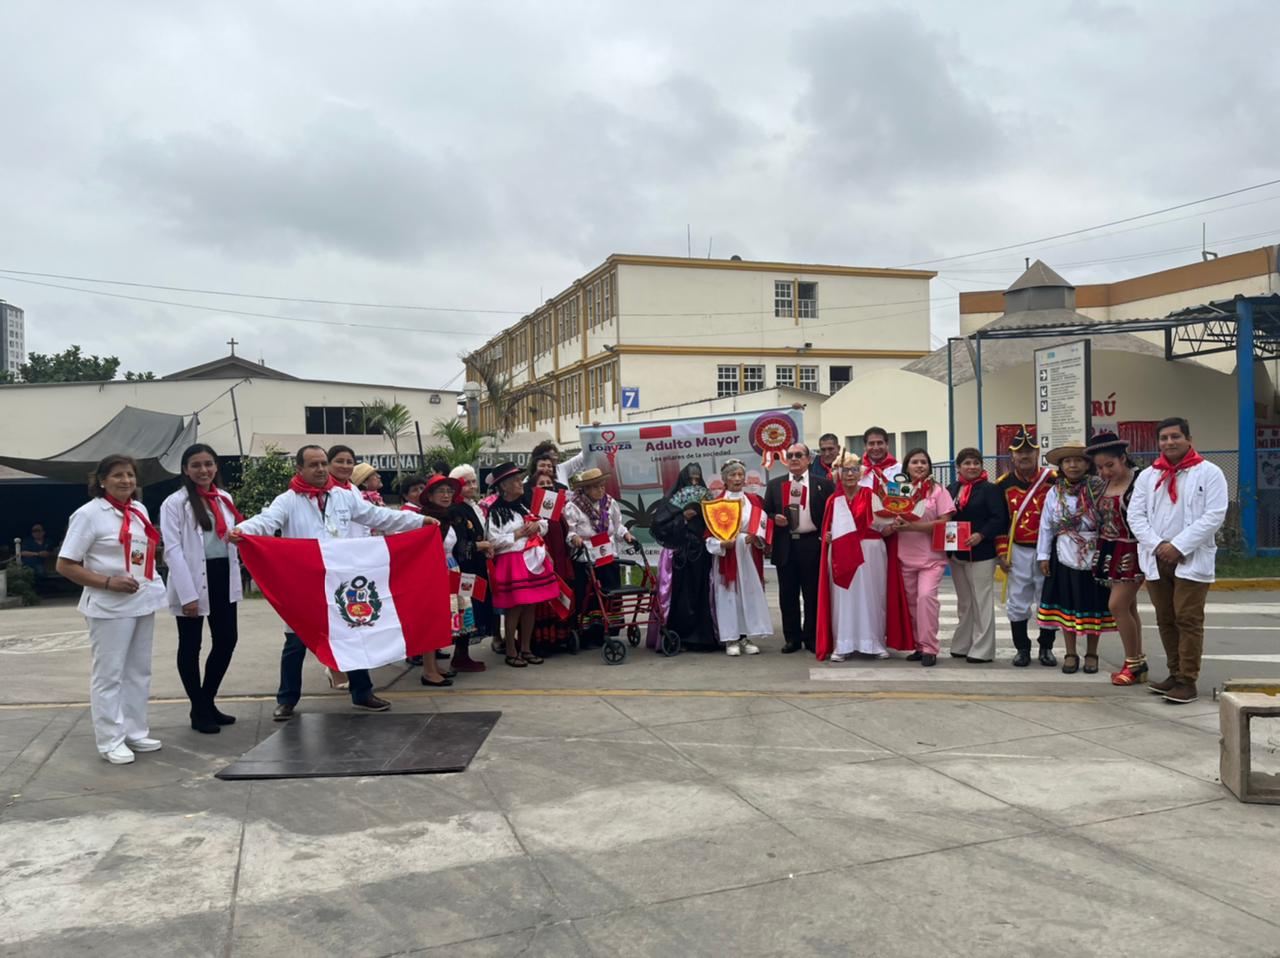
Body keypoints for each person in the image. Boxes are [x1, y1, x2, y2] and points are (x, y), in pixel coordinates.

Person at [230, 445, 437, 719]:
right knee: (296, 641)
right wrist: (242, 530)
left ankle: (362, 693)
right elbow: (267, 522)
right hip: (305, 583)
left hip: (340, 581)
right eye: (312, 464)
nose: (319, 469)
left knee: (352, 634)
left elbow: (378, 516)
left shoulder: (343, 496)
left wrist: (418, 520)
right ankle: (287, 699)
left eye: (322, 464)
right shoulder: (288, 500)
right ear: (299, 469)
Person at [56, 454, 167, 765]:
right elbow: (65, 565)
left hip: (141, 599)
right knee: (109, 675)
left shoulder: (138, 509)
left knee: (138, 670)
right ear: (101, 480)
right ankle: (110, 739)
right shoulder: (88, 515)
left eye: (130, 475)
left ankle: (135, 730)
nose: (126, 481)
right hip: (108, 605)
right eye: (118, 475)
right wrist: (107, 582)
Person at [1127, 417, 1228, 704]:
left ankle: (1187, 680)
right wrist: (1159, 545)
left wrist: (1179, 546)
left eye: (1175, 437)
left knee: (1188, 618)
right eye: (1164, 438)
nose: (1169, 443)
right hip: (1157, 556)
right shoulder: (1148, 476)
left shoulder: (1209, 473)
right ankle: (1174, 673)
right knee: (1166, 618)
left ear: (1188, 438)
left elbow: (1214, 515)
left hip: (1191, 557)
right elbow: (1135, 515)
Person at [159, 443, 244, 734]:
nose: (203, 470)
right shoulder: (175, 503)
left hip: (222, 576)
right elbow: (172, 550)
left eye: (208, 464)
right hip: (192, 579)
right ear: (185, 470)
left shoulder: (224, 498)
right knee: (191, 646)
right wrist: (188, 595)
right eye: (196, 465)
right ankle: (199, 708)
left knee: (226, 641)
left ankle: (206, 702)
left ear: (216, 466)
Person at [1036, 444, 1115, 674]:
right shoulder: (1055, 492)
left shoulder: (1100, 488)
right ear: (1061, 466)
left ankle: (1092, 653)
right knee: (1066, 605)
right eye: (1067, 461)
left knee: (1092, 605)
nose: (1073, 465)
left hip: (1094, 553)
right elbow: (1046, 525)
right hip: (1063, 554)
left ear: (1087, 464)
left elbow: (1108, 520)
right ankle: (1070, 653)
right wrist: (1043, 556)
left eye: (1078, 460)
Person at [817, 453, 899, 661]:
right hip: (841, 553)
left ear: (860, 473)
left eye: (854, 469)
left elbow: (884, 528)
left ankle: (874, 642)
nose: (850, 474)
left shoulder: (871, 495)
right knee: (843, 598)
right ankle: (842, 644)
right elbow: (828, 529)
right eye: (845, 470)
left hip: (871, 552)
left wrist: (896, 525)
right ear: (837, 473)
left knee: (873, 596)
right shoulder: (833, 500)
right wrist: (829, 535)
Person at [485, 461, 562, 667]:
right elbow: (493, 541)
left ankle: (526, 648)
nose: (521, 483)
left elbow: (544, 523)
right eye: (516, 480)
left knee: (530, 606)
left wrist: (537, 526)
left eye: (520, 479)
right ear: (504, 486)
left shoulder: (524, 504)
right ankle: (511, 650)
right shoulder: (496, 511)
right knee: (514, 607)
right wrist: (516, 534)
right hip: (512, 561)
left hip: (532, 559)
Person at [994, 427, 1059, 668]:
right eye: (1019, 452)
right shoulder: (1003, 485)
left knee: (1047, 600)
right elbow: (1000, 520)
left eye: (1029, 451)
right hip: (1018, 550)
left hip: (1047, 552)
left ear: (1037, 453)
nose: (1024, 456)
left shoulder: (1053, 481)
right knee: (1017, 601)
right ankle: (1022, 648)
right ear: (1012, 456)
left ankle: (1046, 648)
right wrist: (1002, 552)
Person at [1087, 432, 1147, 686]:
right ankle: (1138, 663)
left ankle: (1132, 663)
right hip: (1109, 549)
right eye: (1100, 467)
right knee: (1129, 607)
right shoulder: (1101, 485)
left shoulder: (1140, 482)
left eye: (1109, 465)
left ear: (1123, 458)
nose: (1104, 471)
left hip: (1133, 551)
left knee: (1117, 606)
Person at [763, 442, 834, 654]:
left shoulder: (823, 484)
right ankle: (792, 638)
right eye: (790, 455)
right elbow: (765, 514)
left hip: (812, 543)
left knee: (812, 594)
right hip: (786, 544)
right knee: (787, 594)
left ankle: (811, 636)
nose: (794, 459)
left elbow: (832, 514)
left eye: (798, 455)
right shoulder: (775, 485)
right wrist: (775, 518)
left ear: (808, 459)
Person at [890, 448, 955, 667]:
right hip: (904, 557)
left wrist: (914, 526)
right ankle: (918, 645)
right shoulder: (898, 490)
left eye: (924, 462)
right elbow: (886, 516)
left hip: (931, 558)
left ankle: (930, 648)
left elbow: (945, 522)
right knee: (911, 604)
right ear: (906, 467)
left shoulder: (938, 490)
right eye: (915, 462)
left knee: (925, 599)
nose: (919, 466)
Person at [647, 463, 717, 651]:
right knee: (680, 597)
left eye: (697, 479)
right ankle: (680, 636)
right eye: (690, 479)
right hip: (679, 556)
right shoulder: (671, 501)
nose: (694, 483)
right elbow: (658, 527)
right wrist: (682, 518)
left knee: (701, 594)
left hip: (701, 555)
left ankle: (702, 638)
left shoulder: (707, 499)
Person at [947, 448, 1008, 663]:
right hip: (956, 552)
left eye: (976, 463)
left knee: (981, 600)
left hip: (981, 552)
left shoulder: (990, 489)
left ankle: (983, 649)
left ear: (981, 465)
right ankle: (962, 643)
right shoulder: (952, 488)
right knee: (964, 601)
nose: (972, 467)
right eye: (967, 463)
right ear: (958, 467)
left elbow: (999, 517)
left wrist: (981, 535)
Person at [705, 459, 771, 655]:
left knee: (748, 594)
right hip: (727, 556)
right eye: (733, 475)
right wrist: (721, 544)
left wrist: (756, 538)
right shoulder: (717, 504)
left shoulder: (754, 500)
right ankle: (730, 638)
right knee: (728, 594)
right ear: (725, 479)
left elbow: (762, 527)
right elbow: (708, 536)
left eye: (740, 475)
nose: (737, 478)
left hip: (748, 555)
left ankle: (745, 636)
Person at [564, 467, 636, 643]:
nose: (600, 489)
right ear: (586, 489)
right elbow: (570, 532)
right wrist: (575, 539)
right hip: (586, 556)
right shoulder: (574, 506)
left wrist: (626, 535)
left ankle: (610, 628)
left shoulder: (610, 503)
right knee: (590, 595)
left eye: (602, 485)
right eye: (596, 486)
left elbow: (618, 526)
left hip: (607, 553)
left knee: (610, 592)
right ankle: (589, 633)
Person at [529, 471, 575, 653]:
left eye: (549, 483)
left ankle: (562, 639)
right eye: (542, 483)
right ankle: (543, 642)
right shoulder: (531, 512)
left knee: (562, 597)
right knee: (545, 602)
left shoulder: (560, 512)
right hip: (543, 563)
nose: (547, 486)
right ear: (534, 488)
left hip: (561, 561)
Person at [451, 464, 494, 644]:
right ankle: (461, 653)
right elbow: (459, 544)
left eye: (474, 481)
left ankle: (465, 654)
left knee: (477, 605)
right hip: (466, 567)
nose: (473, 486)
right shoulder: (456, 509)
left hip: (478, 564)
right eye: (467, 483)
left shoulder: (471, 506)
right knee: (467, 607)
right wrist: (481, 545)